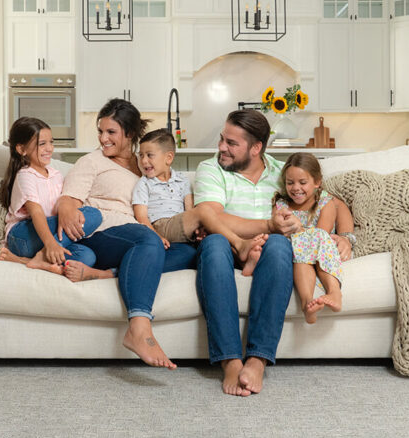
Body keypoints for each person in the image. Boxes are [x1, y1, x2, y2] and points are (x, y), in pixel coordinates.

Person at [194, 109, 355, 397]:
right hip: (226, 244)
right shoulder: (211, 169)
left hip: (268, 247)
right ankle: (230, 359)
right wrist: (269, 224)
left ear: (256, 148)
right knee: (214, 243)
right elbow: (211, 215)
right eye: (222, 139)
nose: (221, 147)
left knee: (280, 244)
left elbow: (329, 199)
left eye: (232, 143)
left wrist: (345, 237)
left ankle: (257, 358)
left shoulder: (284, 174)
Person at [56, 99, 198, 370]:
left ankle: (108, 273)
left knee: (189, 252)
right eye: (100, 131)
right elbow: (68, 200)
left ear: (130, 134)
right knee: (148, 239)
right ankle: (139, 326)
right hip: (102, 232)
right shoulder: (92, 162)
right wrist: (66, 210)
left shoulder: (145, 163)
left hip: (139, 236)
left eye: (111, 132)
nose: (103, 139)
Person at [131, 128, 267, 273]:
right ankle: (239, 244)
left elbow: (190, 211)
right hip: (161, 225)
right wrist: (156, 236)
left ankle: (242, 260)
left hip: (180, 226)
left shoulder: (181, 180)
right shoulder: (144, 183)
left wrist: (197, 228)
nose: (144, 161)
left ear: (168, 158)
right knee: (205, 210)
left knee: (210, 234)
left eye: (149, 155)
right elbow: (141, 216)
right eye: (141, 155)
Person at [0, 116, 102, 273]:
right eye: (42, 144)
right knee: (93, 214)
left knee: (87, 256)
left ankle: (34, 260)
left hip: (47, 236)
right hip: (22, 236)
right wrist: (51, 244)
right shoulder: (25, 175)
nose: (49, 148)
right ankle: (41, 255)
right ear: (21, 149)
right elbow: (37, 212)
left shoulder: (55, 174)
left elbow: (62, 206)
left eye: (51, 142)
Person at [273, 152, 343, 324]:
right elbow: (278, 231)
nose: (296, 188)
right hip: (298, 255)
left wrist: (299, 228)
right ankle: (307, 304)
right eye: (290, 183)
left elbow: (321, 235)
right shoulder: (281, 205)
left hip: (320, 251)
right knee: (300, 252)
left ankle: (334, 291)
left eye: (302, 182)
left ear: (317, 182)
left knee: (313, 239)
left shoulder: (325, 203)